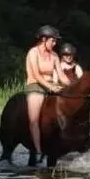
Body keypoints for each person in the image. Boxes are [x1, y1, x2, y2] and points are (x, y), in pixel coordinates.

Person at [25, 25, 71, 155]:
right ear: (43, 39)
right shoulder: (33, 53)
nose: (55, 43)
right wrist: (51, 87)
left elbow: (61, 76)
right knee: (33, 120)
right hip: (36, 86)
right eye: (53, 40)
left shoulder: (55, 55)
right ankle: (38, 150)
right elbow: (37, 75)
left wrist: (73, 86)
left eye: (56, 41)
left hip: (52, 85)